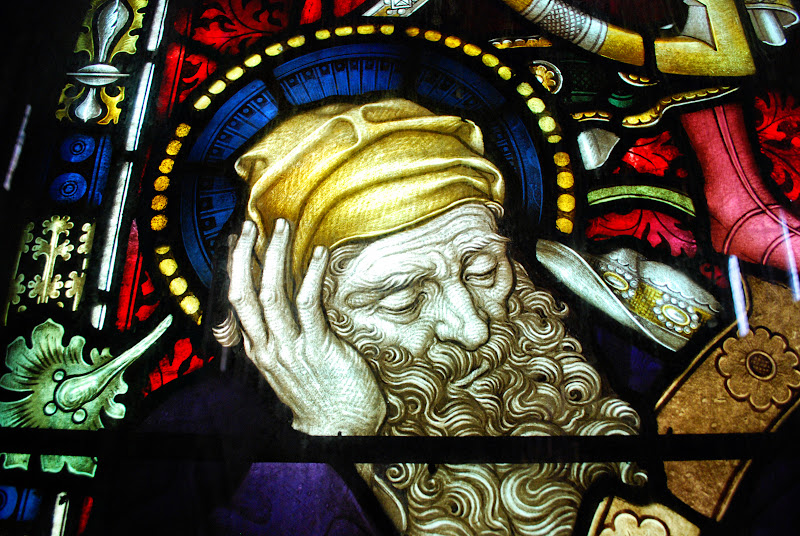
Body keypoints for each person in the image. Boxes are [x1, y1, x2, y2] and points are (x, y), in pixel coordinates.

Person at [221, 98, 645, 535]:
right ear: (300, 321)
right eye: (403, 301)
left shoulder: (632, 358)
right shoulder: (207, 438)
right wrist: (336, 431)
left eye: (483, 271)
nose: (474, 329)